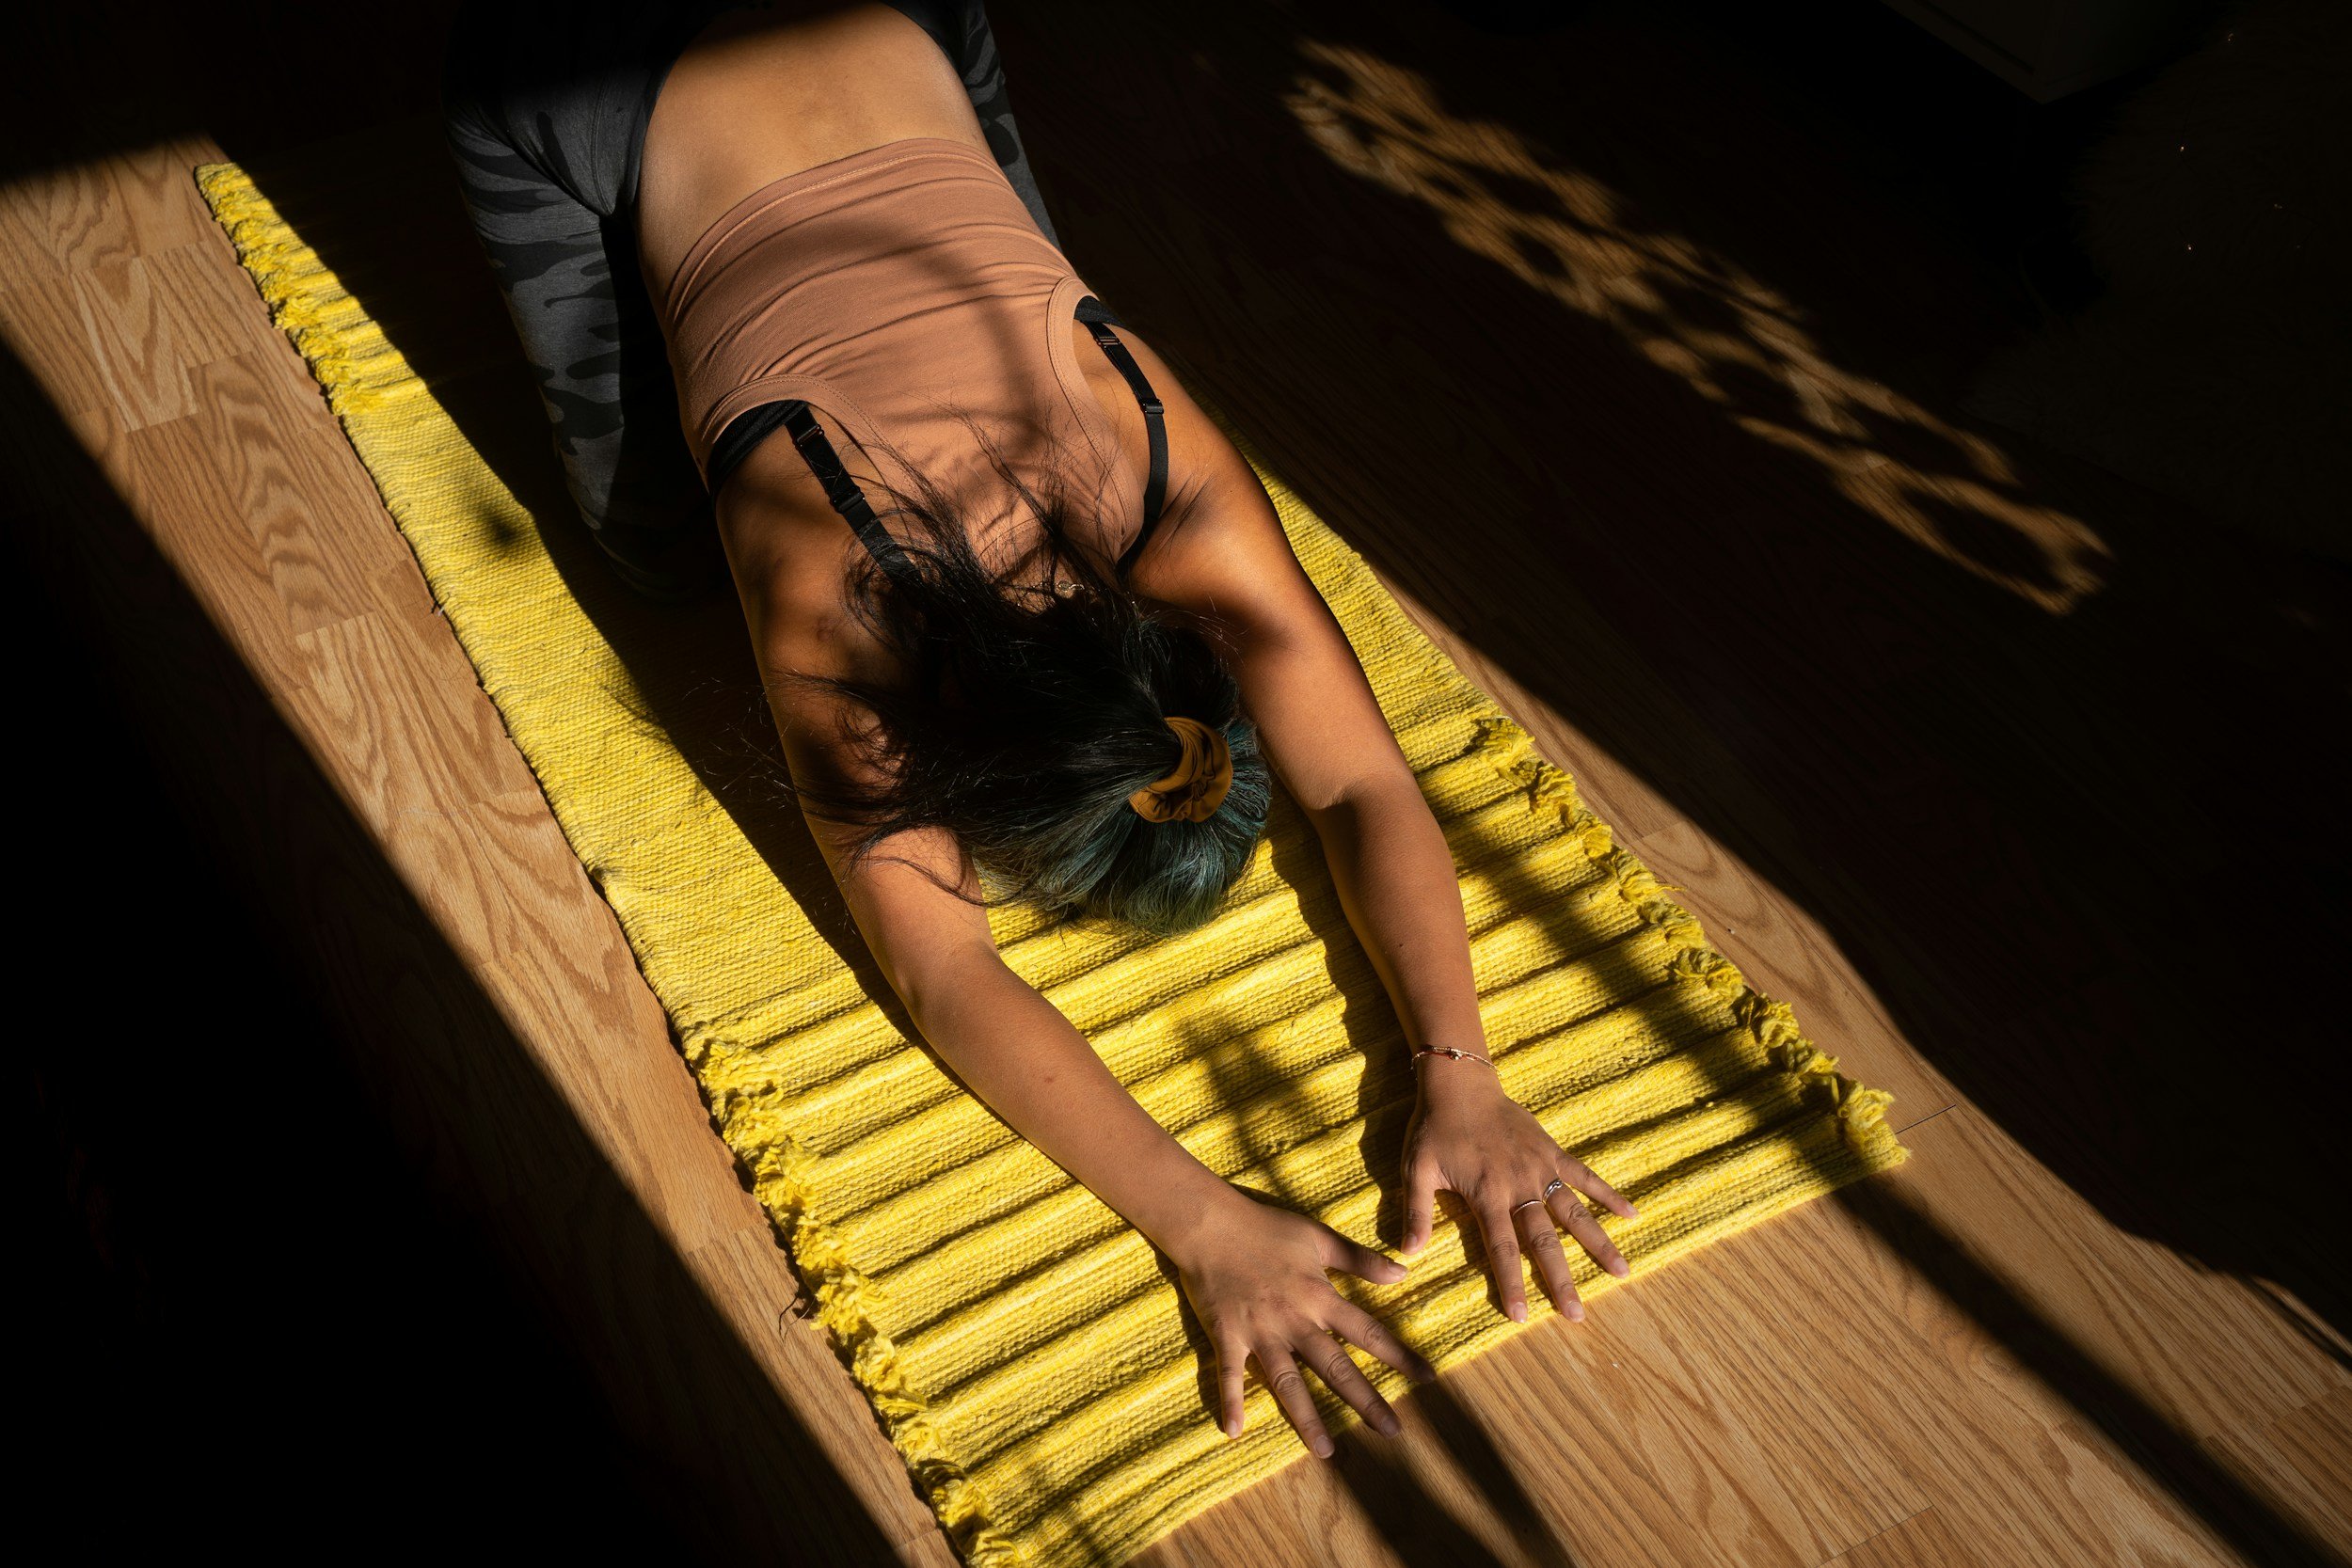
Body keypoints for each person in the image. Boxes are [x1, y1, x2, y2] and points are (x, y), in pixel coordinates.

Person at [440, 0, 1637, 1461]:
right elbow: (945, 971)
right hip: (594, 70)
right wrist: (1201, 1226)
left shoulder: (1163, 471)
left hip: (904, 20)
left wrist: (1466, 1073)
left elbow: (1364, 782)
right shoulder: (834, 577)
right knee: (655, 568)